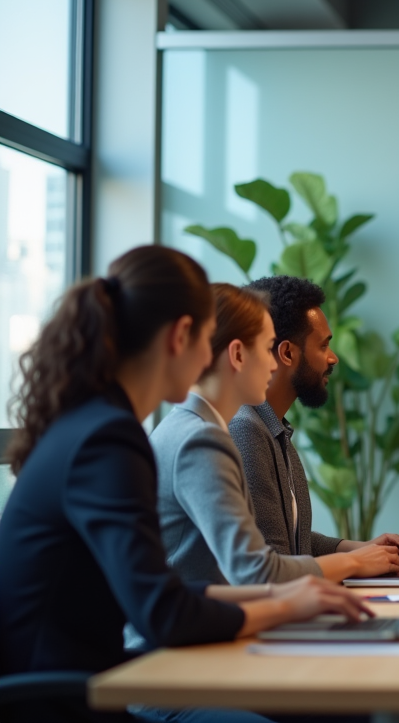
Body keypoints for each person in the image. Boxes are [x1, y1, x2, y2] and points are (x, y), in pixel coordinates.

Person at [0, 246, 373, 723]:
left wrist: (286, 597)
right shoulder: (110, 439)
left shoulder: (97, 426)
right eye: (207, 338)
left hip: (89, 682)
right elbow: (163, 613)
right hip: (73, 700)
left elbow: (163, 593)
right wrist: (281, 604)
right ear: (181, 336)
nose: (209, 357)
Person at [149, 284, 399, 590]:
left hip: (207, 623)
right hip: (191, 635)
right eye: (267, 347)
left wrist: (359, 553)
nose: (272, 364)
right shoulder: (204, 439)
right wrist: (353, 562)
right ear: (238, 355)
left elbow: (281, 542)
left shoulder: (203, 427)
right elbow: (256, 571)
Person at [228, 276, 399, 565]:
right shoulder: (246, 430)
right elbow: (273, 567)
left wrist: (363, 548)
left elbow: (297, 542)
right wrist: (356, 562)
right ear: (288, 353)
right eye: (323, 346)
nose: (333, 359)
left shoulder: (273, 429)